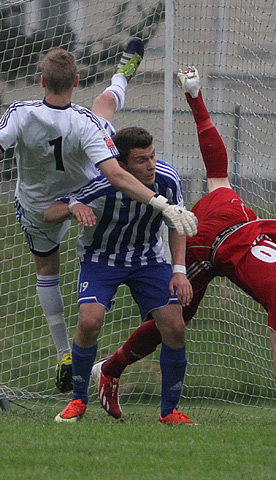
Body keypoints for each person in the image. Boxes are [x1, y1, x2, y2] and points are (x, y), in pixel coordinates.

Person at [0, 41, 197, 392]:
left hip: (40, 207)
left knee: (48, 269)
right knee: (105, 107)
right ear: (76, 81)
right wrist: (162, 203)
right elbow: (117, 176)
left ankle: (65, 352)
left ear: (42, 81)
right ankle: (120, 76)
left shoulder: (20, 113)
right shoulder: (86, 124)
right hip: (87, 197)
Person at [91, 68, 276, 427]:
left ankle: (129, 381)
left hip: (244, 224)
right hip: (207, 244)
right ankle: (111, 371)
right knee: (176, 318)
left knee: (219, 178)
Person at [45, 126, 195, 424]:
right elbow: (48, 212)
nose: (151, 165)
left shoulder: (167, 179)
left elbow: (177, 223)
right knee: (89, 321)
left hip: (148, 261)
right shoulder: (100, 184)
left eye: (152, 156)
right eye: (141, 160)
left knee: (175, 327)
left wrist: (179, 271)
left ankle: (169, 412)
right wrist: (73, 206)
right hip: (101, 260)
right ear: (122, 163)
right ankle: (77, 401)